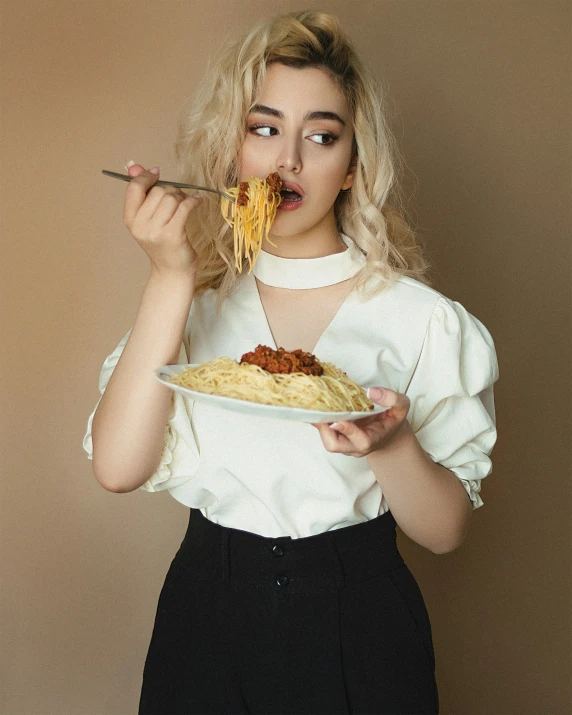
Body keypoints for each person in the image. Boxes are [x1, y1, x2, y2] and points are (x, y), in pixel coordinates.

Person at [83, 10, 498, 715]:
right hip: (206, 614)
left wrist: (391, 442)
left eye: (322, 136)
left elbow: (445, 529)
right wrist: (169, 277)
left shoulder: (421, 318)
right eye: (265, 128)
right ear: (232, 150)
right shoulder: (194, 307)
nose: (289, 162)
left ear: (353, 165)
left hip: (359, 619)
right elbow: (117, 467)